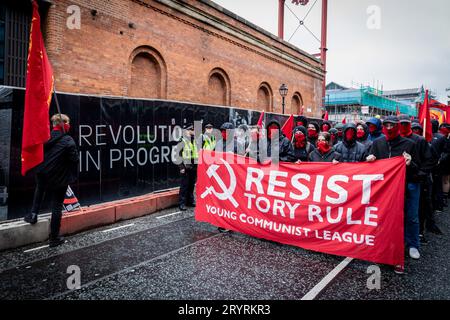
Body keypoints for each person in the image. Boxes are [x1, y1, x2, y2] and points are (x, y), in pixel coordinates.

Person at [366, 116, 420, 274]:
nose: (389, 128)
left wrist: (410, 164)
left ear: (397, 126)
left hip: (405, 187)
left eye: (392, 125)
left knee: (408, 218)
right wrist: (369, 160)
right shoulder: (377, 143)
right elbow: (371, 165)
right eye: (386, 125)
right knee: (383, 220)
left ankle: (411, 246)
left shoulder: (410, 144)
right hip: (383, 190)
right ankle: (383, 252)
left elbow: (419, 168)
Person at [24, 114, 79, 248]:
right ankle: (54, 238)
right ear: (64, 124)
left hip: (42, 173)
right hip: (59, 177)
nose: (69, 125)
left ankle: (33, 214)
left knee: (40, 190)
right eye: (68, 123)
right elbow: (74, 159)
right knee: (57, 205)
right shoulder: (67, 140)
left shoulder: (45, 137)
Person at [398, 115, 441, 242]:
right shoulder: (394, 140)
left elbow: (431, 159)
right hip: (397, 183)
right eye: (401, 124)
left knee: (414, 212)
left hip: (414, 181)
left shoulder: (420, 140)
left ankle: (415, 239)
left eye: (406, 124)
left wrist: (421, 173)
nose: (403, 126)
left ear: (410, 124)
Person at [177, 123, 198, 211]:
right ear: (186, 131)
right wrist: (181, 167)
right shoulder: (182, 140)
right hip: (185, 167)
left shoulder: (195, 140)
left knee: (191, 185)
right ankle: (182, 203)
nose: (193, 131)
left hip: (193, 167)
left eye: (193, 130)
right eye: (191, 130)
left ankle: (190, 201)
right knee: (184, 186)